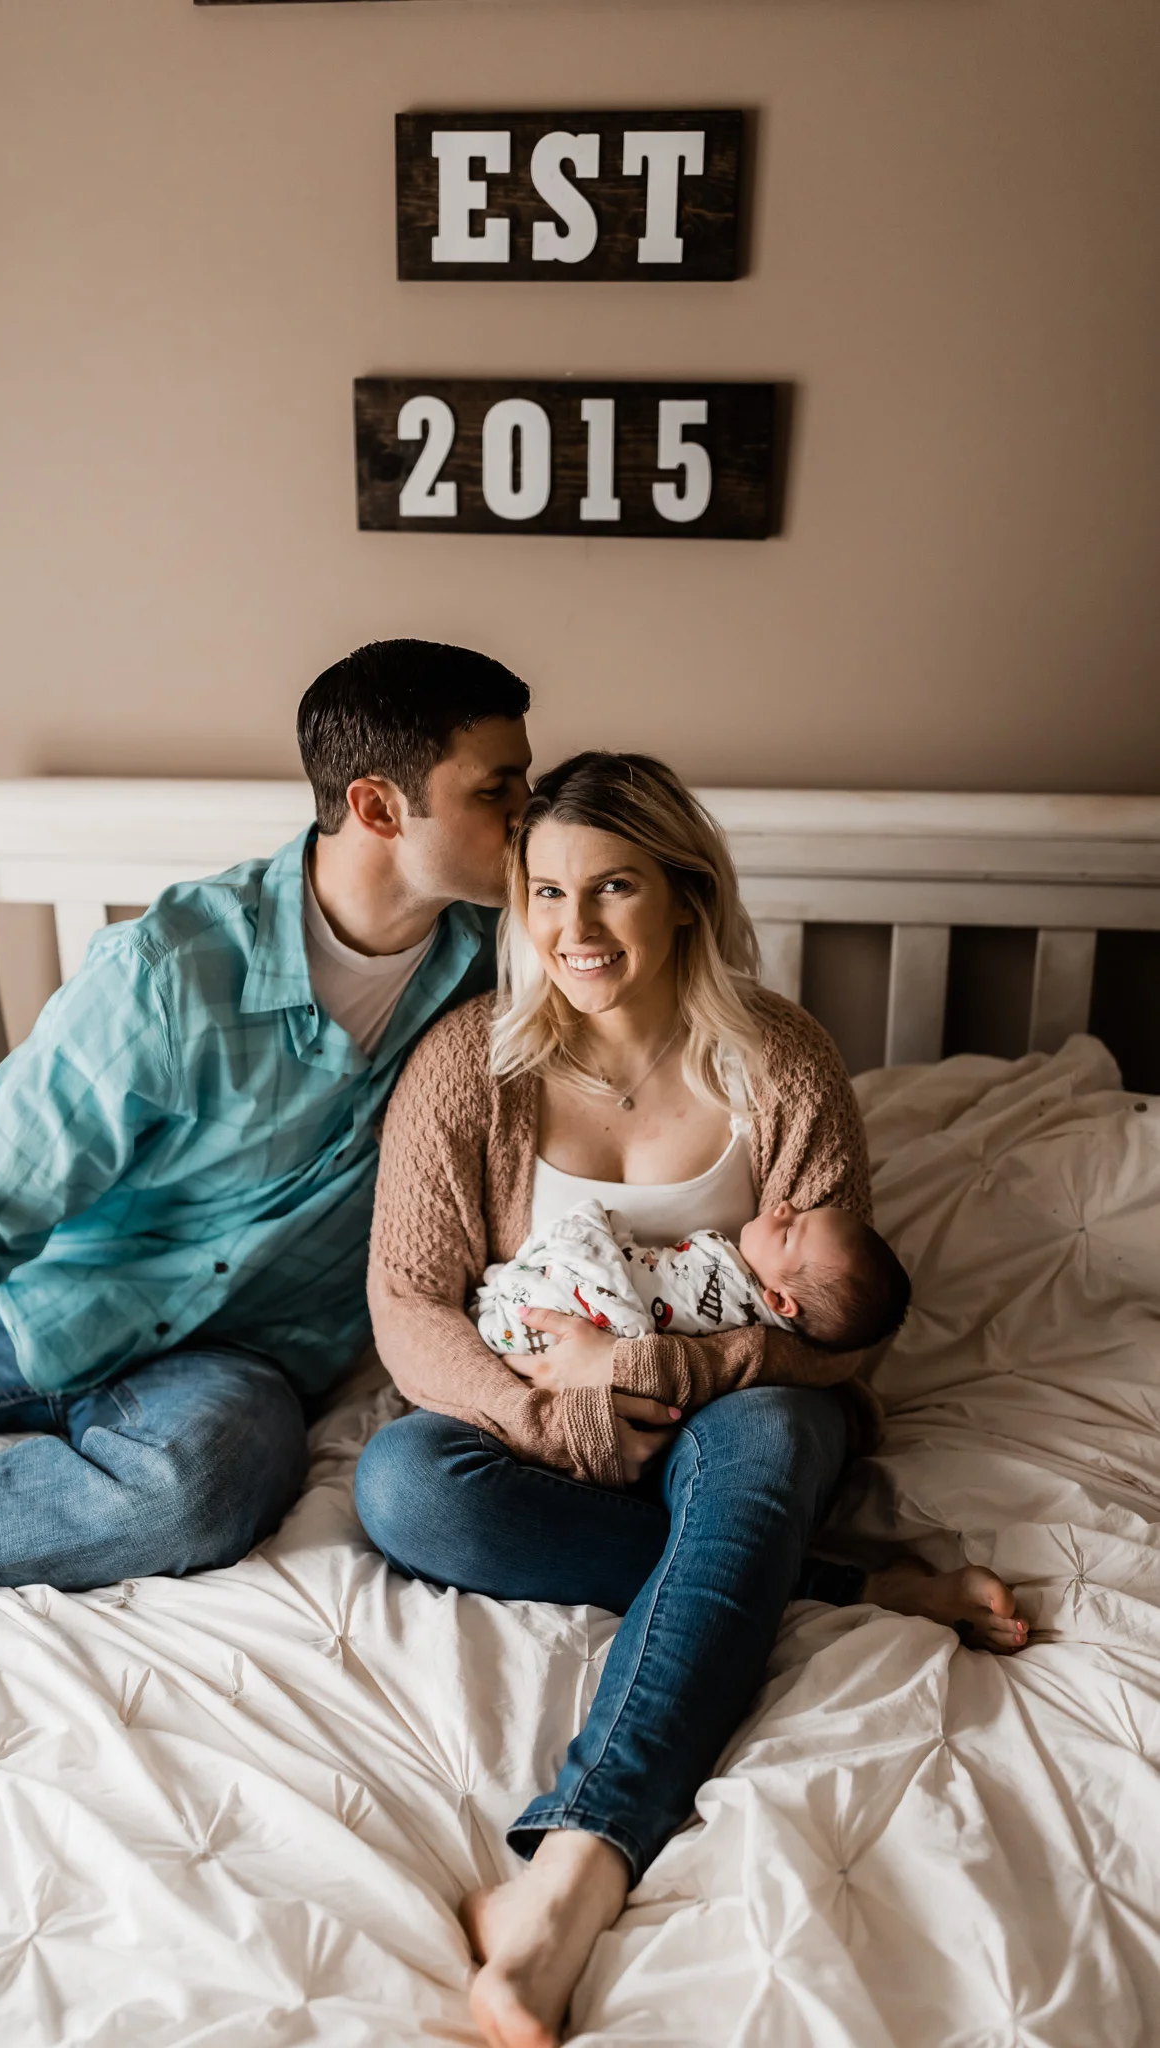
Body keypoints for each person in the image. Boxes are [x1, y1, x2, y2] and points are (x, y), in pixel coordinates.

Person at [354, 751, 1026, 2048]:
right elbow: (408, 1307)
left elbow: (840, 1336)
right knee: (399, 1486)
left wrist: (667, 1372)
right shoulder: (466, 1069)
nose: (574, 929)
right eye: (545, 893)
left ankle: (569, 1877)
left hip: (744, 1419)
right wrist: (547, 1415)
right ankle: (846, 1583)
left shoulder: (782, 1062)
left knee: (776, 1430)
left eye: (612, 889)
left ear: (684, 897)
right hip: (543, 1425)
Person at [0, 639, 533, 1589]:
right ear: (378, 806)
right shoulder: (167, 974)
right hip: (43, 1303)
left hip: (238, 1362)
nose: (527, 818)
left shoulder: (503, 965)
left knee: (194, 1492)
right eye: (496, 791)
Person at [473, 1194, 912, 1357]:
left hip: (595, 1314)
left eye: (791, 1228)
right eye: (801, 1210)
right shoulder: (747, 1274)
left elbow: (641, 1320)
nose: (784, 1206)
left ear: (778, 1302)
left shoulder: (727, 1302)